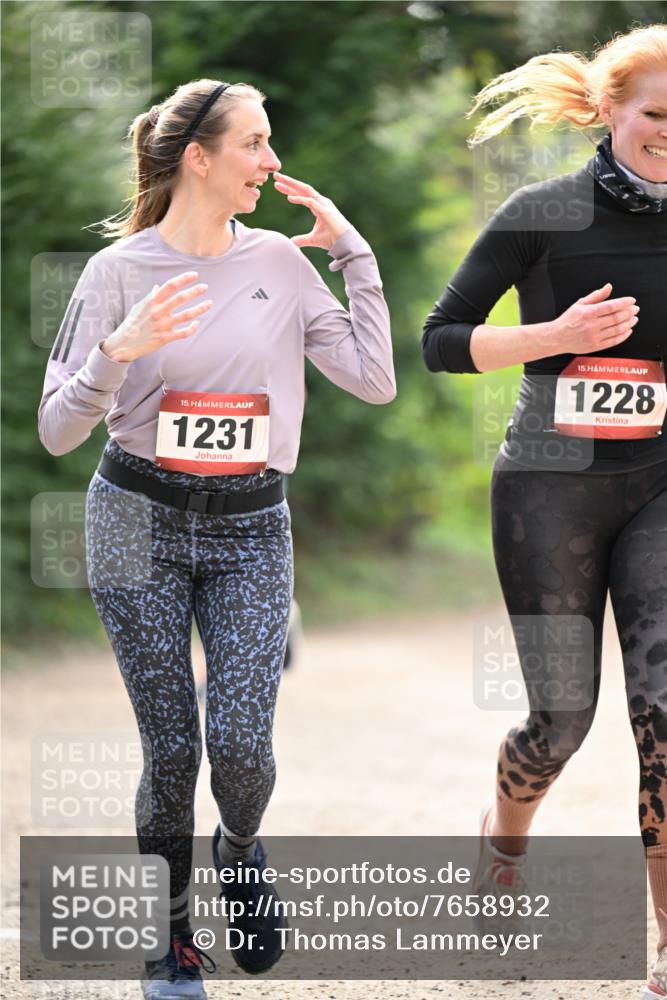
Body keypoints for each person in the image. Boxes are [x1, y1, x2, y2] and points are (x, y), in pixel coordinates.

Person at [38, 78, 396, 999]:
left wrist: (352, 254)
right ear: (199, 158)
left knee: (240, 742)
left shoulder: (278, 261)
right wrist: (114, 353)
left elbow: (370, 378)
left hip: (250, 529)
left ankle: (240, 849)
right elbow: (56, 429)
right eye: (256, 144)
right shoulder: (115, 273)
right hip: (134, 519)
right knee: (171, 749)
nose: (272, 163)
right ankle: (169, 943)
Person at [421, 25, 666, 998]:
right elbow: (440, 341)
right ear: (610, 111)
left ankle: (662, 936)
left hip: (662, 482)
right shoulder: (543, 212)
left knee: (664, 714)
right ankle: (505, 839)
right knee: (561, 722)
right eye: (656, 115)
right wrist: (552, 335)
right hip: (549, 483)